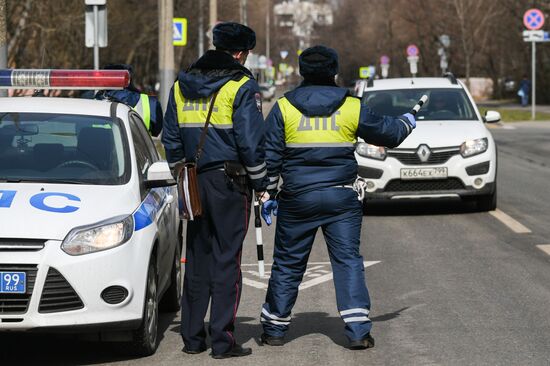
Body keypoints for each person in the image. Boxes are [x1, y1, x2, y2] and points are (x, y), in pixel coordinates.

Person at [259, 45, 416, 350]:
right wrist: (408, 121)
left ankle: (275, 330)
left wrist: (266, 190)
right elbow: (389, 133)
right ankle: (358, 331)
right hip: (341, 199)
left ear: (302, 72)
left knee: (289, 264)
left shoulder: (284, 107)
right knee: (347, 262)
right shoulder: (350, 105)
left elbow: (270, 154)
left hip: (297, 199)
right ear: (334, 72)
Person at [162, 22, 269, 359]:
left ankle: (193, 338)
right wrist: (262, 184)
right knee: (227, 260)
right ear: (240, 53)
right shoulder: (240, 85)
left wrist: (183, 173)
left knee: (196, 258)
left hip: (191, 181)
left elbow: (170, 138)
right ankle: (223, 341)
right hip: (229, 183)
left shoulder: (181, 84)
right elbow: (250, 143)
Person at [95, 63, 163, 136]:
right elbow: (157, 131)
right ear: (129, 79)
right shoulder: (150, 103)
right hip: (137, 146)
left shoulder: (93, 100)